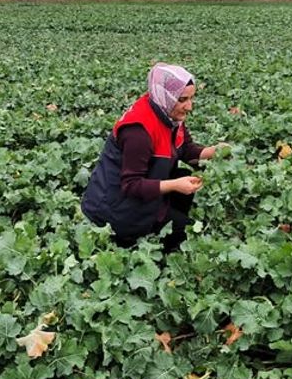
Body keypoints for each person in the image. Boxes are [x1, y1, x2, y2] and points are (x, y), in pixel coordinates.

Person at [81, 63, 224, 250]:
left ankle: (164, 222)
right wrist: (175, 185)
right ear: (167, 97)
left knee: (182, 179)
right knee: (186, 233)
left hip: (139, 191)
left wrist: (214, 151)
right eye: (182, 99)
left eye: (191, 98)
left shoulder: (169, 113)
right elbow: (131, 185)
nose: (189, 106)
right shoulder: (138, 131)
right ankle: (140, 237)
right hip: (116, 208)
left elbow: (185, 148)